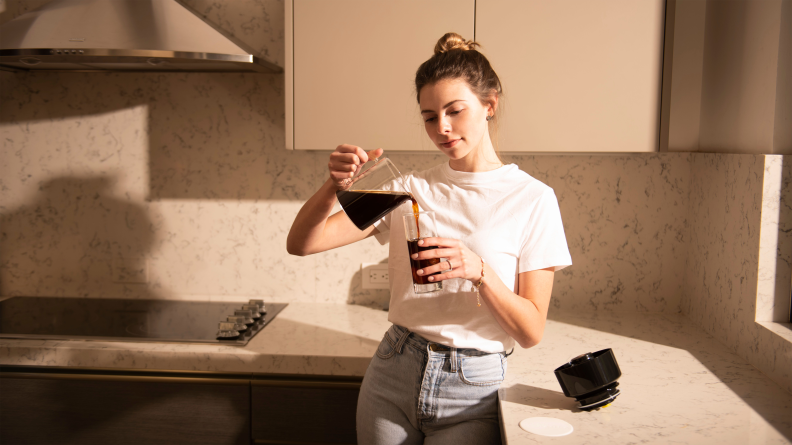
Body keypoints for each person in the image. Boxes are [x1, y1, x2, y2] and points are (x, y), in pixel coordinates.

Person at [287, 32, 572, 445]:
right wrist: (334, 185)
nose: (441, 127)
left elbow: (530, 331)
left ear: (489, 105)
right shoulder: (407, 189)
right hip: (393, 371)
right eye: (428, 116)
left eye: (455, 111)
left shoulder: (532, 200)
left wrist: (480, 272)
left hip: (473, 388)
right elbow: (303, 243)